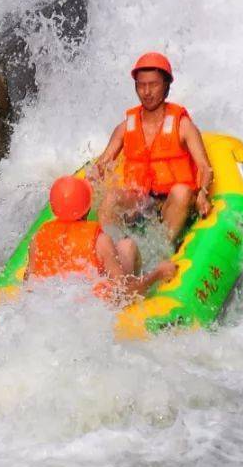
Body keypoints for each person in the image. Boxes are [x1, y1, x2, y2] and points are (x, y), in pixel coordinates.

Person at [90, 51, 213, 250]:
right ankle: (114, 254)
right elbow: (101, 165)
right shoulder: (124, 127)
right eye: (141, 85)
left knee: (182, 192)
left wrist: (203, 194)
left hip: (172, 202)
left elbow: (205, 168)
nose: (147, 92)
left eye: (153, 84)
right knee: (111, 198)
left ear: (166, 86)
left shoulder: (183, 126)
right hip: (140, 203)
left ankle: (162, 252)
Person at [28, 174, 173, 303]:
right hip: (94, 310)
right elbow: (124, 293)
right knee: (127, 246)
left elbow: (29, 286)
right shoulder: (100, 241)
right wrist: (157, 273)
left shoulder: (37, 238)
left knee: (123, 246)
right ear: (88, 208)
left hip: (51, 305)